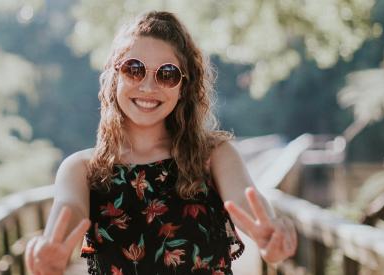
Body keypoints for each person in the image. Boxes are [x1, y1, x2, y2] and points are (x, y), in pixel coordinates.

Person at [25, 11, 297, 275]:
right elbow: (65, 218)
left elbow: (249, 204)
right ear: (114, 76)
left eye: (166, 74)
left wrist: (273, 237)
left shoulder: (215, 156)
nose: (148, 87)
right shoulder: (81, 170)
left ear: (184, 87)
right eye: (134, 70)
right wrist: (49, 253)